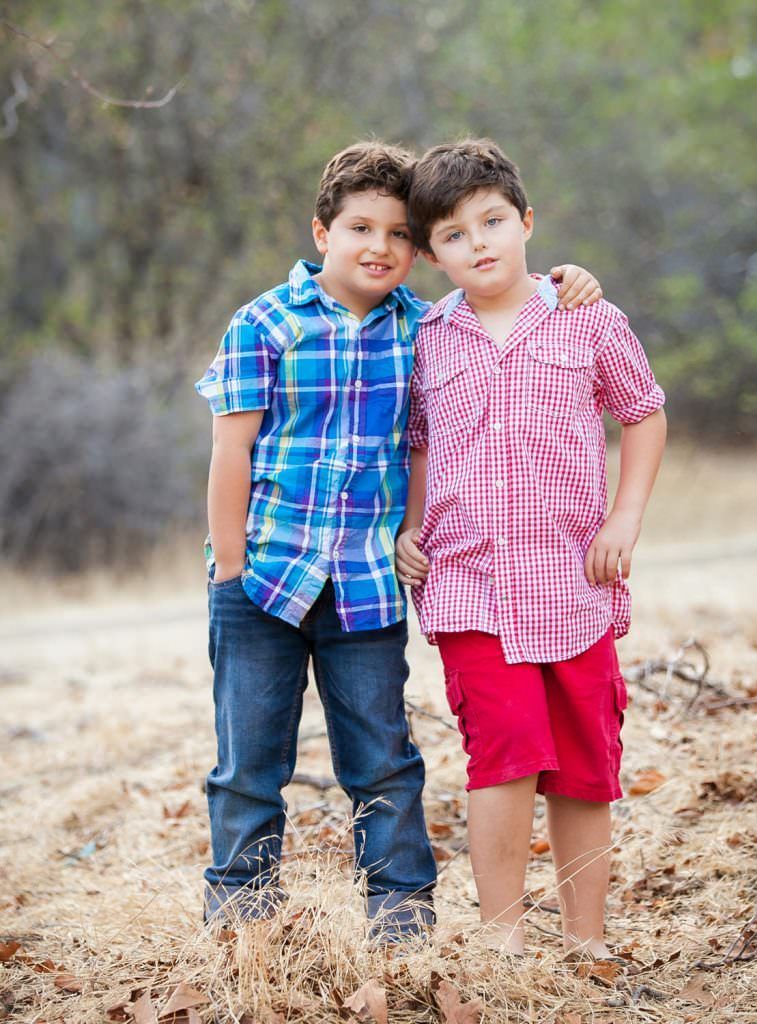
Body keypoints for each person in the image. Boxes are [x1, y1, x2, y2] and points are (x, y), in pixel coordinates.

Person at [194, 140, 604, 941]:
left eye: (397, 235)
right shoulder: (265, 323)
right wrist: (229, 568)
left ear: (418, 251)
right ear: (322, 233)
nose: (378, 247)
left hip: (365, 587)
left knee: (382, 758)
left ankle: (401, 919)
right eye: (359, 228)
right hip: (264, 580)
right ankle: (240, 920)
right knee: (248, 765)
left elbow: (501, 304)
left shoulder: (428, 327)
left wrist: (567, 280)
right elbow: (230, 450)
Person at [396, 139, 666, 957]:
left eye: (492, 221)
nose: (478, 243)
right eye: (452, 234)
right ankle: (502, 941)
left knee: (585, 764)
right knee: (502, 756)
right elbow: (419, 443)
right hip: (469, 584)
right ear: (430, 254)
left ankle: (586, 940)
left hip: (573, 581)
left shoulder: (587, 315)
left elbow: (643, 412)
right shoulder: (427, 338)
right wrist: (410, 528)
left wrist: (624, 520)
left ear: (526, 223)